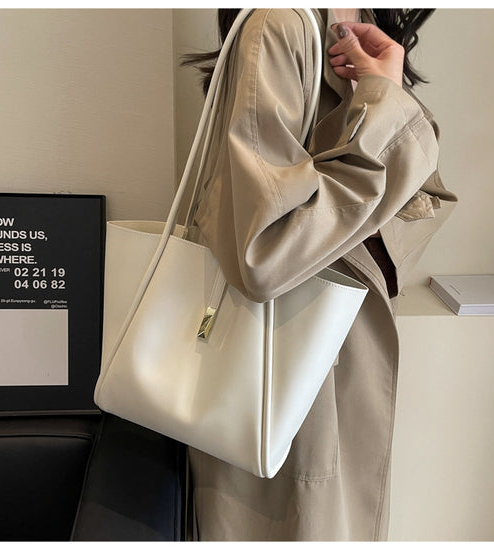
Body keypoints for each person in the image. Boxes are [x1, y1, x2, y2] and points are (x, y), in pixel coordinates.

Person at [183, 8, 458, 541]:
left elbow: (423, 205)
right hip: (288, 359)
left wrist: (387, 99)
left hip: (336, 348)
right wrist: (386, 107)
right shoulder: (280, 24)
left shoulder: (368, 24)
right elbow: (264, 252)